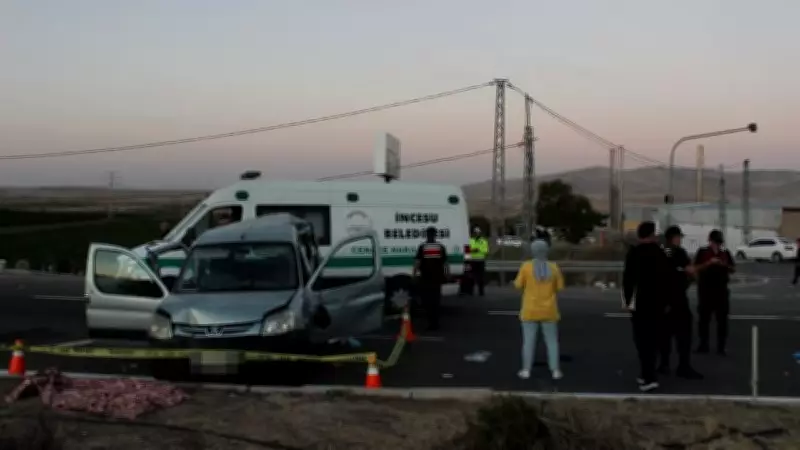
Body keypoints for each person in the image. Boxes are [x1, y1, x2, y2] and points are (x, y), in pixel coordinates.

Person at [622, 221, 671, 392]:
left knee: (642, 340)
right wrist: (667, 302)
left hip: (641, 302)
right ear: (652, 234)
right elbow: (667, 280)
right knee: (653, 340)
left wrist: (628, 301)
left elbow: (628, 280)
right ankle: (647, 374)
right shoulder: (660, 253)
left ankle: (649, 377)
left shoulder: (634, 253)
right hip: (658, 303)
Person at [513, 239, 564, 380]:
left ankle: (526, 370)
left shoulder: (526, 267)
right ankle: (555, 370)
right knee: (552, 342)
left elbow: (518, 285)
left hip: (530, 310)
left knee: (528, 342)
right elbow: (560, 287)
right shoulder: (554, 267)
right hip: (549, 310)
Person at [658, 225, 703, 379]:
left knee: (666, 334)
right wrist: (689, 275)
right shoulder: (676, 252)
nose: (680, 240)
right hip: (675, 299)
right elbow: (690, 271)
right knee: (682, 334)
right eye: (678, 237)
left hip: (666, 300)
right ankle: (682, 366)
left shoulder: (662, 252)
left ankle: (665, 364)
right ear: (673, 238)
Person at [693, 229, 735, 356]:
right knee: (703, 319)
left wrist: (723, 264)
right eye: (715, 242)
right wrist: (708, 263)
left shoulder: (725, 253)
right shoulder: (702, 252)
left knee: (722, 320)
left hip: (721, 291)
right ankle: (703, 344)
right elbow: (695, 268)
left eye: (719, 243)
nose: (717, 245)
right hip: (706, 290)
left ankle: (721, 347)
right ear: (710, 241)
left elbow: (733, 269)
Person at [413, 226, 449, 331]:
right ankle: (435, 322)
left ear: (427, 235)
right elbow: (445, 263)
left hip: (426, 278)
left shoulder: (423, 247)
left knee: (427, 301)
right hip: (437, 278)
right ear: (435, 235)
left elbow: (417, 263)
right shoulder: (440, 247)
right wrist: (447, 274)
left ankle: (431, 322)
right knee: (436, 300)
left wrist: (414, 275)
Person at [468, 227, 489, 296]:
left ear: (480, 233)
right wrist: (472, 250)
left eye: (478, 232)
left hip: (480, 260)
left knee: (481, 277)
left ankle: (481, 291)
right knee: (471, 276)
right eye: (475, 232)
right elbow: (467, 249)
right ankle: (470, 291)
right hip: (472, 261)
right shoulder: (470, 240)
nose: (476, 234)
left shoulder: (483, 241)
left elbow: (486, 250)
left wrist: (478, 250)